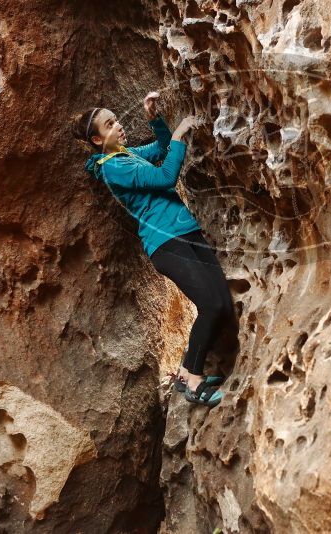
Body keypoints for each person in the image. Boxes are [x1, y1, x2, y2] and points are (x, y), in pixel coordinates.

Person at [70, 92, 236, 408]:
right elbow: (165, 176)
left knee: (223, 304)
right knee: (211, 305)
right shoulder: (113, 168)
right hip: (165, 243)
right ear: (96, 139)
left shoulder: (127, 155)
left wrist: (154, 118)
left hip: (186, 231)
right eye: (109, 125)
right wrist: (179, 135)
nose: (118, 125)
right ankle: (195, 381)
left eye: (116, 119)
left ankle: (186, 372)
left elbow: (160, 149)